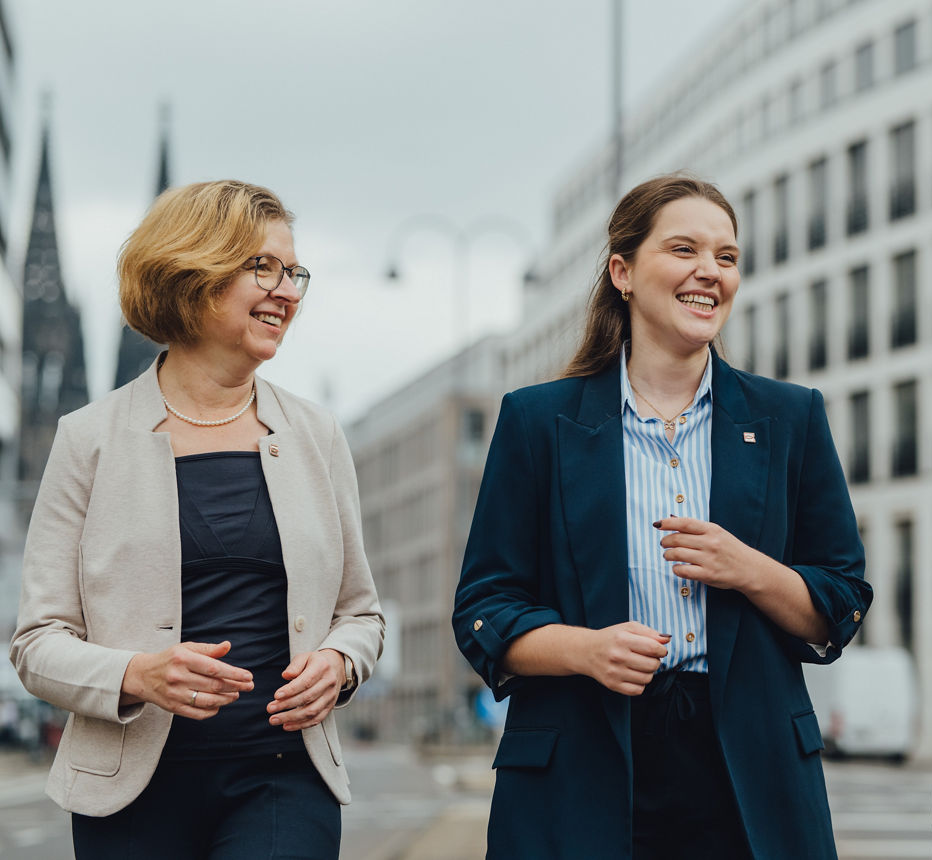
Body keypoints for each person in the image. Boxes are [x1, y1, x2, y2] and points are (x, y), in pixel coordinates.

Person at [453, 173, 871, 859]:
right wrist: (586, 650)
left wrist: (748, 570)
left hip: (749, 775)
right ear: (623, 271)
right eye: (684, 250)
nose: (709, 272)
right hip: (578, 764)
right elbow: (485, 610)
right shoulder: (536, 423)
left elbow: (841, 604)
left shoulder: (791, 418)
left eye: (727, 257)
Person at [10, 180, 384, 859]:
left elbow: (361, 614)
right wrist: (136, 675)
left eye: (294, 272)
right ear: (194, 274)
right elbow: (38, 643)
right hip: (129, 794)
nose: (289, 291)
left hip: (284, 781)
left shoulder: (316, 435)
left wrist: (338, 661)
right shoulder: (87, 438)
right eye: (262, 267)